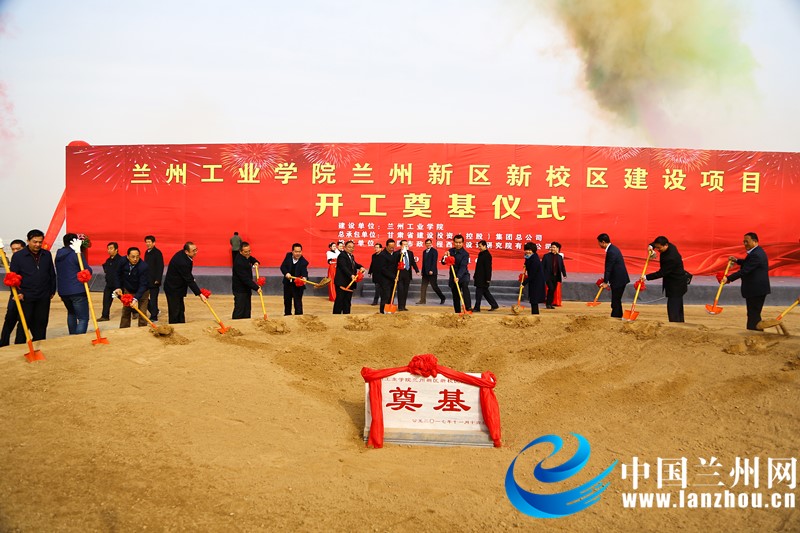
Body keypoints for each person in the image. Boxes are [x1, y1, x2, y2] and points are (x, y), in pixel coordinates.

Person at [9, 229, 56, 343]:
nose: (38, 244)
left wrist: (52, 290)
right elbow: (12, 277)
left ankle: (40, 343)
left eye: (40, 242)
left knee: (41, 321)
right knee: (25, 321)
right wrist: (18, 293)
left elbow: (51, 273)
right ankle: (20, 345)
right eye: (35, 242)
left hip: (43, 295)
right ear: (28, 241)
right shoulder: (18, 256)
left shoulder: (46, 254)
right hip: (26, 295)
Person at [722, 232, 771, 331]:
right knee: (753, 313)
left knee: (753, 313)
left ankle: (754, 333)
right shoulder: (756, 252)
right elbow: (747, 263)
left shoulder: (756, 254)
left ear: (755, 241)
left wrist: (728, 278)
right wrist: (736, 260)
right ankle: (755, 332)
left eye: (747, 241)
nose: (745, 244)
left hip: (756, 289)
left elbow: (745, 270)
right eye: (744, 242)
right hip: (756, 289)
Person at [643, 236, 687, 323]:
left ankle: (675, 325)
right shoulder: (670, 246)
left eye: (659, 248)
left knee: (673, 307)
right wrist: (651, 247)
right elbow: (655, 244)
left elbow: (662, 273)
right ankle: (679, 323)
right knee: (677, 306)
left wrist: (646, 277)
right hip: (675, 282)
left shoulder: (671, 258)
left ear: (666, 245)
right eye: (657, 248)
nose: (658, 250)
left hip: (676, 284)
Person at [55, 233, 92, 335]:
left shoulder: (58, 255)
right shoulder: (76, 254)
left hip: (63, 291)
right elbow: (87, 270)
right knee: (83, 318)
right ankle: (78, 339)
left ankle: (72, 336)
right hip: (78, 290)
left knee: (71, 314)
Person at [163, 242, 207, 324]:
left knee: (180, 309)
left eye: (196, 250)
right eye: (193, 251)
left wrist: (191, 278)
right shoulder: (182, 261)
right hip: (173, 288)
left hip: (179, 287)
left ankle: (181, 325)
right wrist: (200, 294)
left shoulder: (184, 256)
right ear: (186, 251)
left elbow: (187, 275)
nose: (195, 252)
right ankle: (175, 327)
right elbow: (188, 279)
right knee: (175, 311)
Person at [0, 239, 28, 347]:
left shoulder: (28, 262)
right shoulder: (13, 262)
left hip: (27, 296)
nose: (15, 251)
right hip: (14, 296)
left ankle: (19, 344)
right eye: (13, 249)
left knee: (23, 321)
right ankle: (3, 343)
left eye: (18, 249)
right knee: (9, 320)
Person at [115, 247, 150, 328]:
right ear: (128, 256)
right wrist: (118, 287)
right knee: (126, 311)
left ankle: (143, 329)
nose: (135, 259)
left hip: (143, 292)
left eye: (137, 257)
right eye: (133, 257)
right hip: (128, 290)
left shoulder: (143, 267)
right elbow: (117, 274)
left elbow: (143, 285)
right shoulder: (122, 261)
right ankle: (124, 329)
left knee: (142, 312)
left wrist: (136, 298)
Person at [597, 233, 630, 319]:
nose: (599, 245)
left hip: (618, 280)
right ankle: (618, 316)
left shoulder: (611, 251)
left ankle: (615, 317)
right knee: (616, 300)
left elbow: (608, 268)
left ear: (603, 242)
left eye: (599, 243)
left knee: (615, 301)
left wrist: (605, 282)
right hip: (619, 279)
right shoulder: (613, 249)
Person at [231, 242, 261, 319]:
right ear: (241, 252)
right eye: (246, 252)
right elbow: (245, 279)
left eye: (249, 251)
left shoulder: (246, 256)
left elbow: (251, 258)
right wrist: (256, 287)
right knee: (240, 309)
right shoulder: (239, 262)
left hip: (246, 289)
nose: (248, 253)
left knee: (247, 309)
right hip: (240, 290)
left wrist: (255, 262)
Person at [333, 240, 364, 314]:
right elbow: (344, 267)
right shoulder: (342, 256)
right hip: (342, 282)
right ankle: (336, 316)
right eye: (349, 247)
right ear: (345, 247)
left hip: (349, 282)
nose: (351, 249)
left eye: (353, 247)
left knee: (347, 301)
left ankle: (346, 315)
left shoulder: (351, 256)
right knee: (340, 300)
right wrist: (351, 275)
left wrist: (360, 266)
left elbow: (354, 264)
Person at [442, 234, 471, 313]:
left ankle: (468, 308)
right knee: (455, 294)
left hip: (463, 275)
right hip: (453, 276)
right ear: (453, 242)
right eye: (456, 242)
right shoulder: (450, 251)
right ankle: (457, 311)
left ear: (463, 243)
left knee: (465, 288)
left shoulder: (465, 254)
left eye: (460, 242)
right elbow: (443, 262)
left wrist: (458, 277)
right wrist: (445, 257)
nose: (458, 244)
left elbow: (463, 266)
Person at [99, 242, 125, 321]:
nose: (109, 250)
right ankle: (105, 316)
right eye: (108, 249)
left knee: (125, 300)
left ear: (116, 249)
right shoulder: (108, 260)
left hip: (118, 285)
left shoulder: (121, 260)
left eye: (111, 248)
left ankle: (134, 312)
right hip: (109, 284)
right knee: (106, 300)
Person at [280, 243, 309, 316]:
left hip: (297, 285)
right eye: (296, 252)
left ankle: (299, 318)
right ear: (292, 251)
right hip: (288, 284)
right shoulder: (288, 256)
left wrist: (305, 278)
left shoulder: (303, 262)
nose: (298, 253)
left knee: (298, 303)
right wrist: (286, 273)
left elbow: (304, 272)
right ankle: (287, 316)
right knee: (287, 301)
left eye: (299, 252)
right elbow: (283, 267)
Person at [473, 240, 499, 312]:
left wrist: (488, 279)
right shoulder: (480, 254)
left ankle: (477, 307)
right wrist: (475, 275)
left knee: (478, 293)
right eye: (478, 246)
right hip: (479, 277)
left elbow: (488, 268)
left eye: (480, 246)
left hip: (483, 278)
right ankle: (494, 305)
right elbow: (478, 267)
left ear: (485, 246)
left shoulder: (487, 255)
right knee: (485, 292)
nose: (479, 248)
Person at [418, 238, 445, 305]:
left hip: (432, 273)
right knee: (423, 287)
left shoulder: (434, 251)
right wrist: (422, 271)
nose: (428, 244)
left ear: (431, 243)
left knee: (434, 286)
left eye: (429, 243)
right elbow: (424, 262)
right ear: (425, 244)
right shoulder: (424, 252)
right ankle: (422, 300)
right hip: (425, 272)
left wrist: (431, 270)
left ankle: (442, 297)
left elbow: (434, 262)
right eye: (427, 243)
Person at [375, 239, 400, 314]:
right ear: (386, 246)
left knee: (391, 296)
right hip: (385, 280)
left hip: (393, 280)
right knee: (385, 296)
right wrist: (393, 276)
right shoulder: (382, 255)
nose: (392, 248)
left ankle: (389, 311)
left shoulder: (394, 254)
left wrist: (400, 266)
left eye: (393, 247)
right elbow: (383, 269)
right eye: (390, 247)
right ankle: (383, 312)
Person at [143, 235, 164, 322]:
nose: (148, 244)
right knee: (143, 296)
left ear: (154, 243)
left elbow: (160, 266)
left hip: (154, 280)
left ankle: (154, 317)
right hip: (147, 280)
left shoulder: (157, 253)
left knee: (153, 299)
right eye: (146, 242)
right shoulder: (146, 252)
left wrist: (158, 279)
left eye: (149, 242)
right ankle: (155, 311)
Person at [395, 240, 419, 312]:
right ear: (400, 245)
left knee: (405, 291)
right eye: (404, 244)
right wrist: (401, 253)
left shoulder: (410, 253)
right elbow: (395, 262)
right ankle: (400, 306)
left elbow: (413, 262)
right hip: (400, 274)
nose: (406, 246)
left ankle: (403, 306)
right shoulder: (397, 253)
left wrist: (417, 270)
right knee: (400, 290)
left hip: (407, 274)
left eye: (406, 244)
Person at [542, 241, 567, 309]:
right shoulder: (546, 256)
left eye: (554, 247)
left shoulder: (559, 257)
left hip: (556, 276)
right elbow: (542, 266)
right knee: (551, 288)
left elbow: (562, 266)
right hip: (548, 276)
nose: (552, 248)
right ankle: (548, 303)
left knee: (553, 290)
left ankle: (550, 303)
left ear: (558, 248)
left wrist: (564, 274)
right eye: (551, 247)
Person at [522, 242, 546, 315]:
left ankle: (535, 314)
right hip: (533, 280)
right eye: (526, 250)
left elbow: (533, 274)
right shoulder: (528, 257)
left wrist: (524, 283)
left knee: (534, 298)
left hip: (537, 280)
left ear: (533, 250)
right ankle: (534, 313)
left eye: (530, 250)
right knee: (533, 298)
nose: (528, 251)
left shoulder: (535, 259)